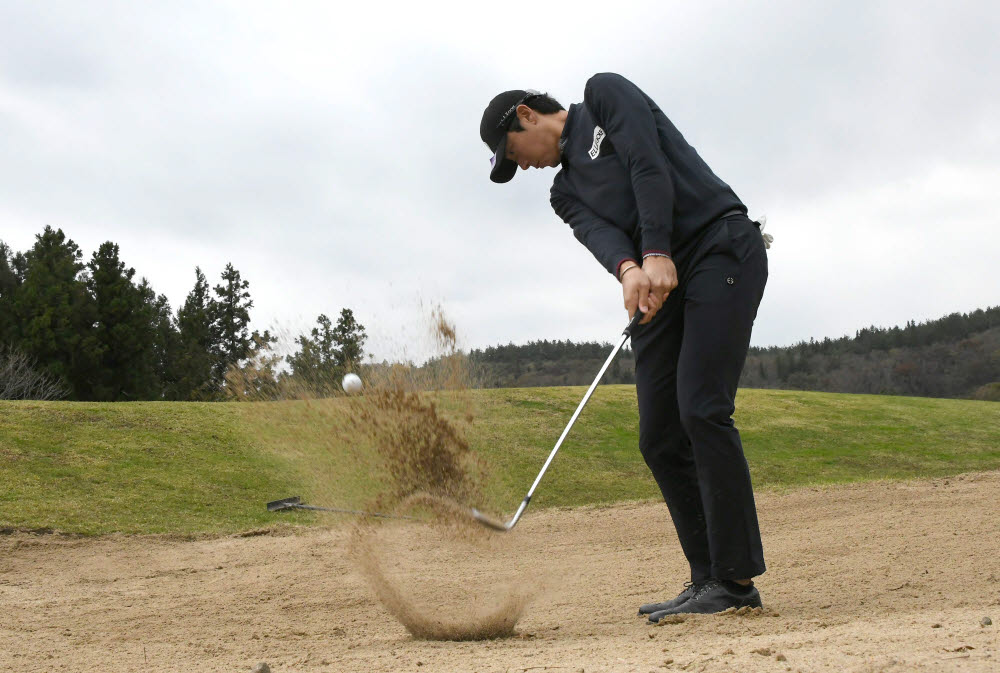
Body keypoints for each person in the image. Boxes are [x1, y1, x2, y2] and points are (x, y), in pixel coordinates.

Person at [479, 73, 771, 622]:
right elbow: (600, 235)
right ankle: (707, 575)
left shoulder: (603, 96)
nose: (521, 166)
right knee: (658, 435)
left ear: (526, 114)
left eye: (513, 154)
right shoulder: (562, 192)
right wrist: (630, 268)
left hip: (718, 248)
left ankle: (735, 580)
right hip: (658, 283)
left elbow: (646, 162)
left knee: (702, 408)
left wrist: (657, 247)